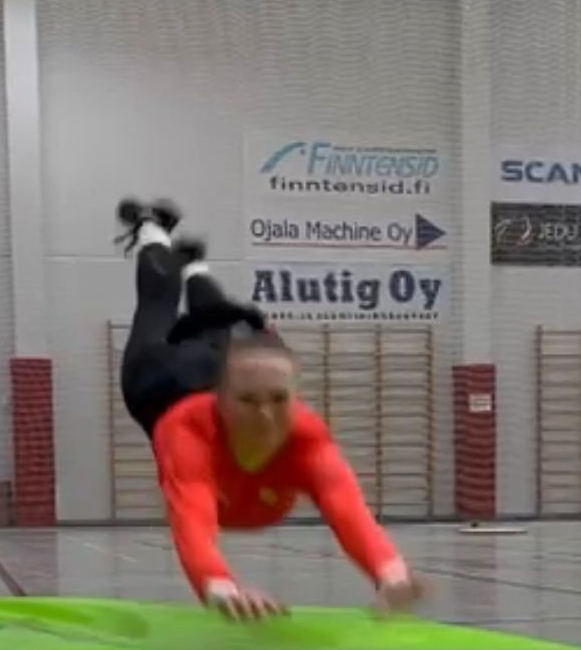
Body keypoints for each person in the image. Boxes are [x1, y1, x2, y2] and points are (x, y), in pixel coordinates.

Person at [116, 198, 424, 621]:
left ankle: (194, 267)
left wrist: (391, 573)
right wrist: (221, 588)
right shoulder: (186, 434)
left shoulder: (306, 435)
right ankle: (152, 230)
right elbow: (193, 522)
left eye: (279, 400)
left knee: (220, 327)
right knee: (156, 307)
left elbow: (349, 509)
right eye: (248, 402)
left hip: (221, 368)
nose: (265, 417)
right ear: (221, 399)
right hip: (157, 382)